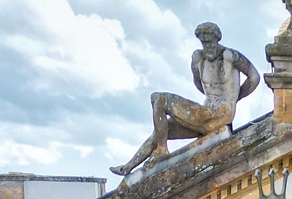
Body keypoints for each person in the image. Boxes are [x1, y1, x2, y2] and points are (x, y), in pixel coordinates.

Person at [111, 23, 259, 177]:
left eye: (210, 42)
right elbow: (198, 83)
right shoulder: (198, 58)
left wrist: (233, 99)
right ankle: (130, 166)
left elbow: (254, 77)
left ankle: (161, 150)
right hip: (206, 113)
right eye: (204, 43)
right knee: (163, 129)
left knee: (159, 99)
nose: (207, 46)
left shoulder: (229, 55)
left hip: (221, 112)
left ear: (217, 39)